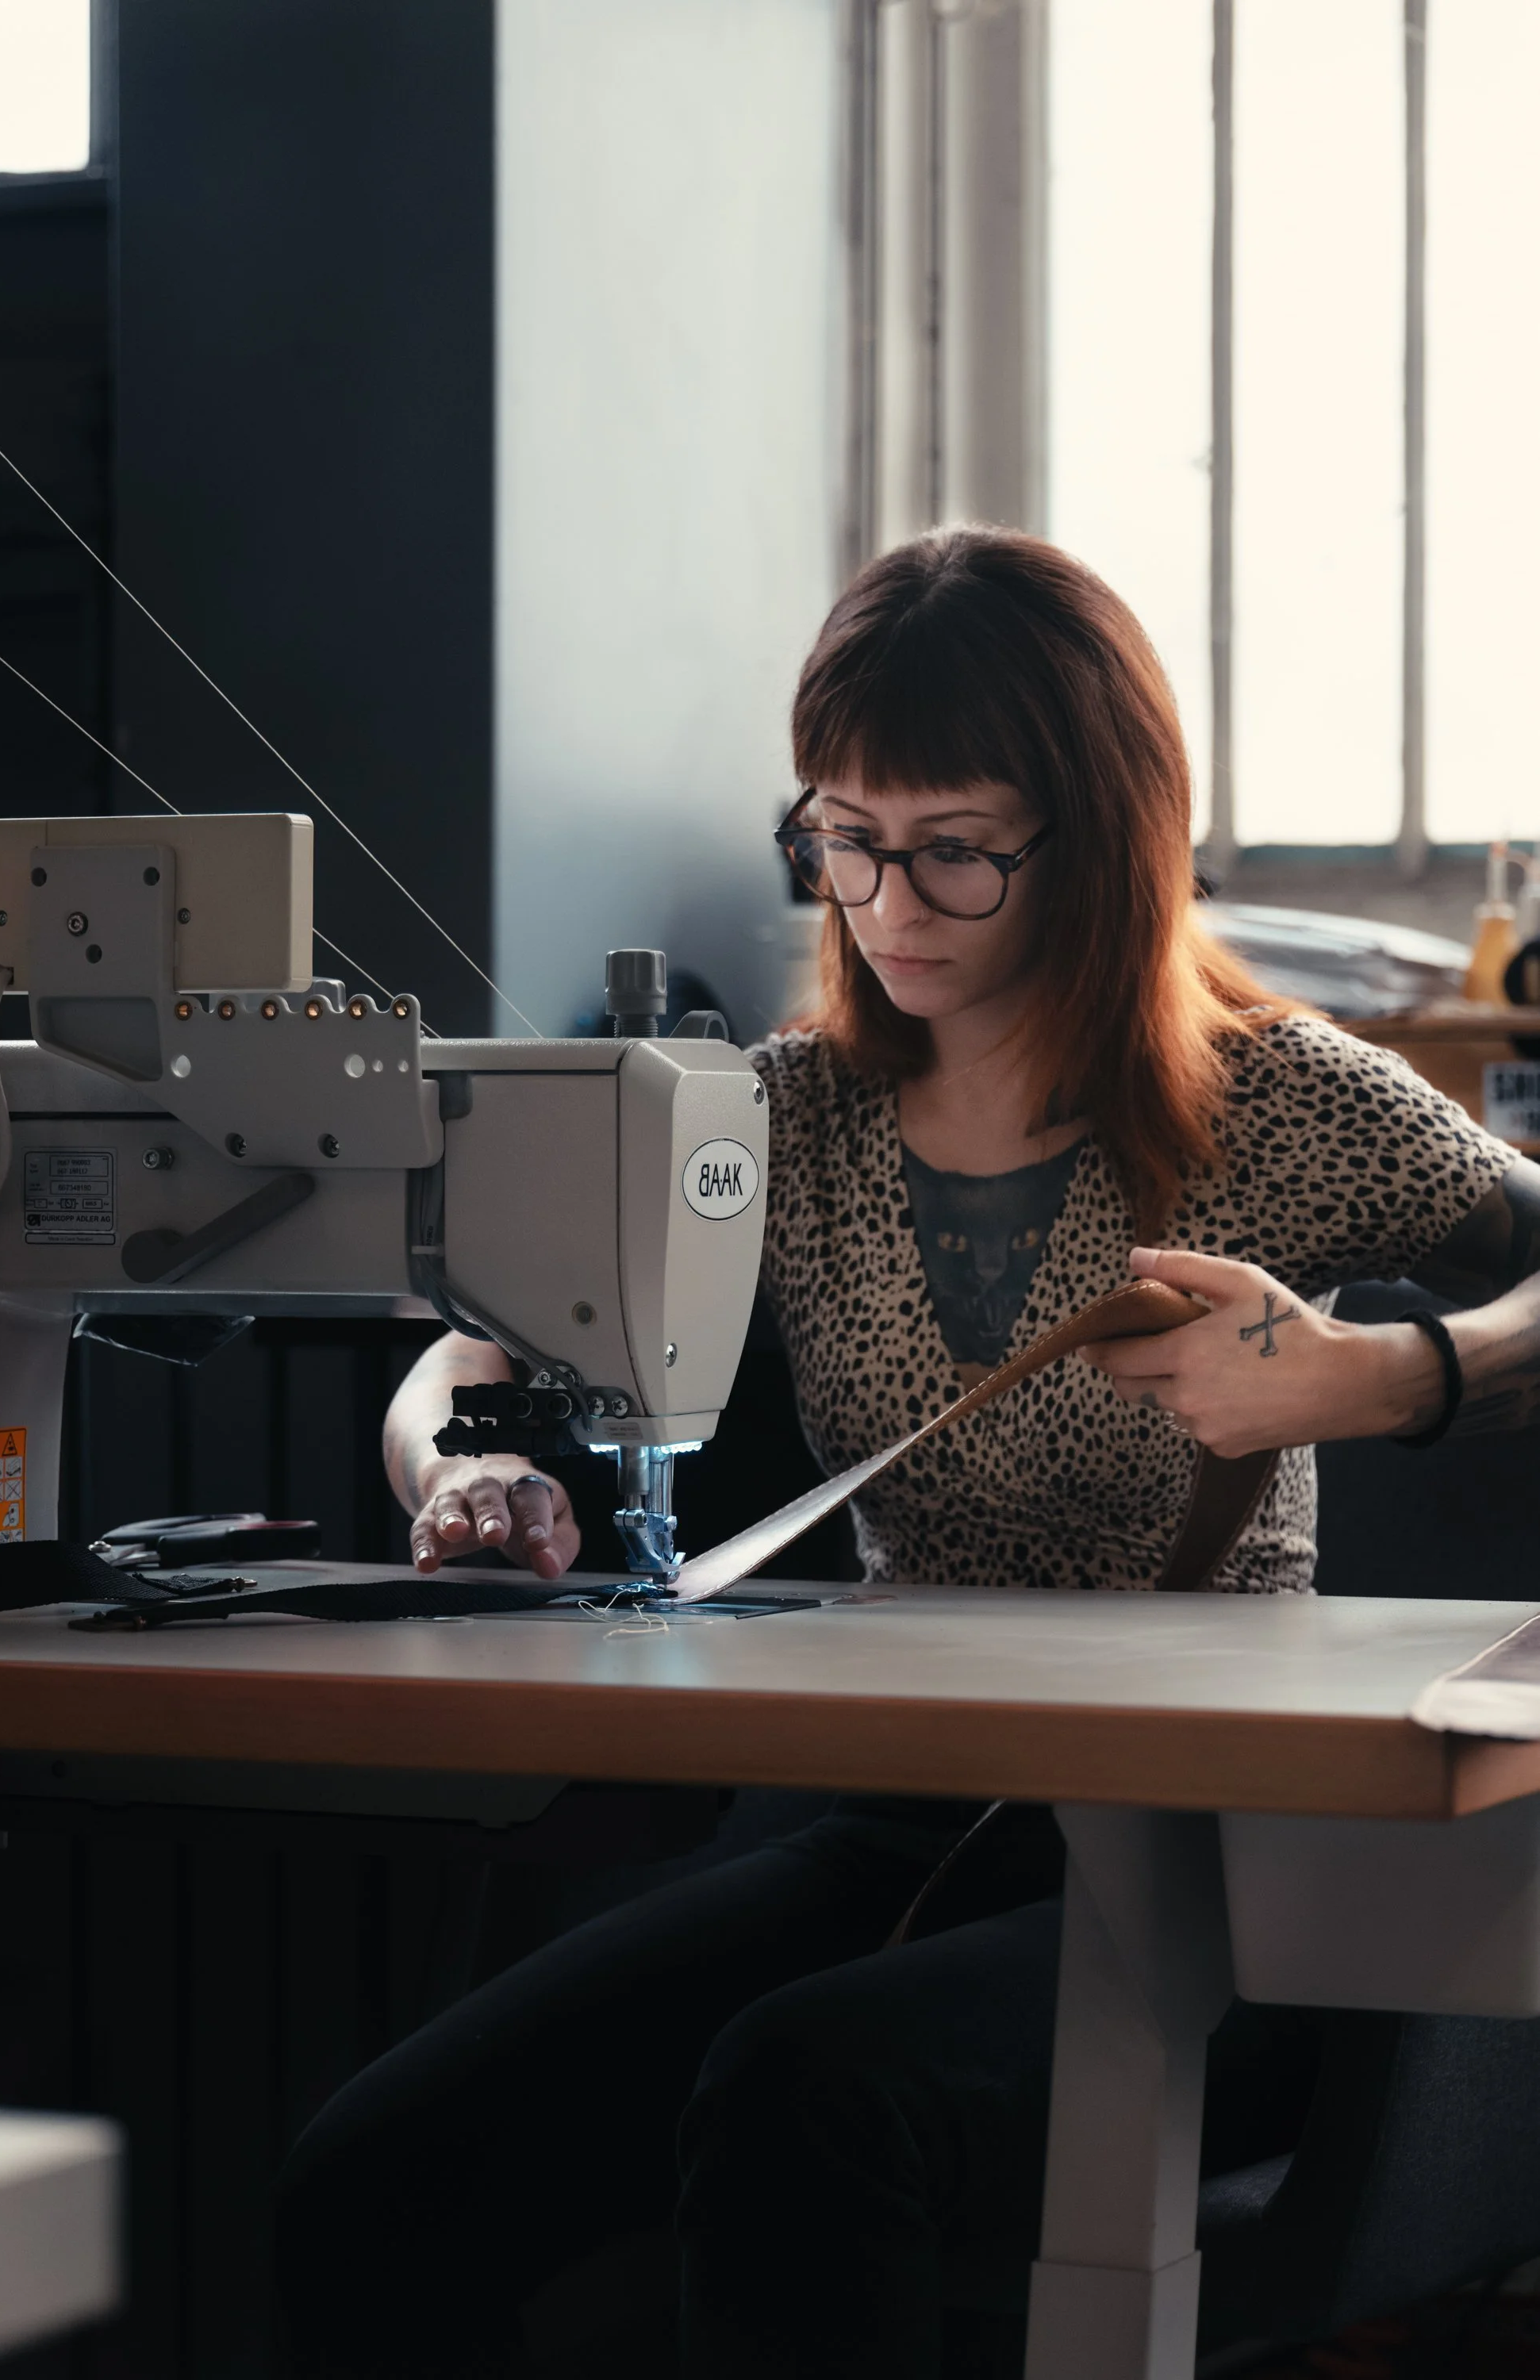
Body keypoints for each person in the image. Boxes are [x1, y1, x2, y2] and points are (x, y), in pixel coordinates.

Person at [275, 530, 1540, 2379]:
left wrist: (1379, 1380)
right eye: (843, 836)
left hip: (1225, 1871)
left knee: (804, 2100)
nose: (885, 899)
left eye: (952, 843)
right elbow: (472, 1334)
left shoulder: (1278, 1101)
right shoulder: (783, 1111)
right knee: (367, 2182)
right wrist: (454, 1466)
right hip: (902, 1831)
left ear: (1099, 832)